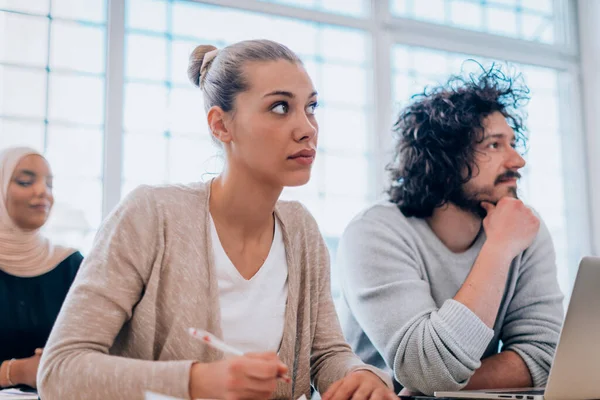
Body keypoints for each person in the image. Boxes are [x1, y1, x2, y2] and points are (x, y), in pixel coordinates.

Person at [38, 40, 395, 400]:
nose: (307, 128)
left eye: (311, 107)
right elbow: (60, 369)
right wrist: (197, 382)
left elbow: (327, 355)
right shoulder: (150, 215)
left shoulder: (302, 229)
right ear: (221, 125)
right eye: (281, 107)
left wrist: (360, 377)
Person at [336, 65, 564, 395]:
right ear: (444, 159)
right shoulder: (373, 232)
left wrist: (417, 385)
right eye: (494, 145)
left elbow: (545, 359)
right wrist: (498, 249)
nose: (517, 161)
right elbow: (427, 369)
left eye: (512, 143)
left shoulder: (523, 229)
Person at [0, 147, 83, 390]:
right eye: (26, 181)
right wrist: (17, 371)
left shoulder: (71, 265)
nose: (42, 192)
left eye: (50, 184)